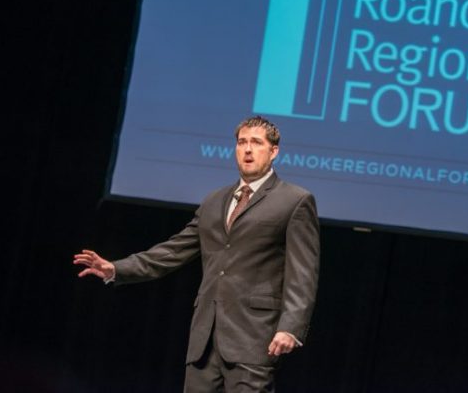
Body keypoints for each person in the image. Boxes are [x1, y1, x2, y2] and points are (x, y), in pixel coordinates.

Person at [73, 116, 320, 392]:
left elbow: (303, 273)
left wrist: (290, 327)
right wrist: (117, 269)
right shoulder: (215, 200)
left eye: (256, 143)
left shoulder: (295, 201)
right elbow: (174, 250)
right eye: (242, 142)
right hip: (204, 341)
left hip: (254, 337)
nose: (247, 149)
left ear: (274, 151)